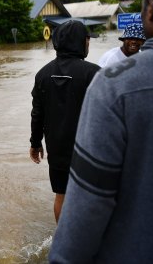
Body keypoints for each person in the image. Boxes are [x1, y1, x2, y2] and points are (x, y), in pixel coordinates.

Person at [49, 0, 153, 262]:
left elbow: (90, 203)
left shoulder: (115, 83)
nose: (134, 45)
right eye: (130, 41)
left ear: (149, 9)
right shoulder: (106, 69)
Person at [29, 20, 100, 223]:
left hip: (57, 148)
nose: (89, 44)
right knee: (88, 196)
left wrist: (35, 143)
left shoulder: (42, 74)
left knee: (61, 195)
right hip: (88, 150)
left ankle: (62, 240)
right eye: (87, 40)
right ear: (80, 42)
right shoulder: (94, 73)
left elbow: (37, 113)